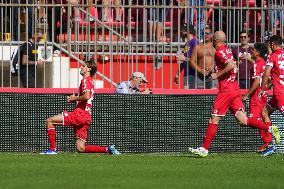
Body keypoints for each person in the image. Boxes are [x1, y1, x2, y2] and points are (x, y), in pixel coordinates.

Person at [188, 31, 280, 158]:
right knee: (243, 120)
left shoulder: (220, 51)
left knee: (213, 118)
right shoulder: (227, 50)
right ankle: (269, 128)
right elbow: (228, 64)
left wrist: (217, 75)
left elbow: (230, 65)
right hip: (235, 89)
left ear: (215, 40)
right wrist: (213, 70)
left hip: (226, 90)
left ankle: (204, 148)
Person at [41, 59, 121, 155]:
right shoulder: (90, 81)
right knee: (80, 148)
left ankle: (52, 150)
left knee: (50, 121)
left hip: (80, 114)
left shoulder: (85, 81)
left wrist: (74, 98)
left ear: (89, 69)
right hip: (86, 116)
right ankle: (108, 149)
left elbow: (86, 96)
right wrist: (77, 99)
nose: (81, 67)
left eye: (83, 66)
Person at [241, 42, 273, 153]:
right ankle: (267, 144)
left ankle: (269, 134)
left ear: (258, 52)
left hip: (256, 97)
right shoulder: (264, 63)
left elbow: (256, 81)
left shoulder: (256, 65)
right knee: (261, 119)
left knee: (251, 120)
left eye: (253, 50)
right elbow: (270, 80)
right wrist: (264, 89)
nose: (251, 51)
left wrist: (247, 95)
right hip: (263, 95)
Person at [258, 35, 284, 156]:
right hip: (277, 94)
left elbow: (267, 74)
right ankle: (273, 146)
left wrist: (262, 89)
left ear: (273, 44)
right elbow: (275, 76)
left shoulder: (272, 56)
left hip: (280, 94)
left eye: (270, 45)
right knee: (264, 112)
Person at [174, 24, 198, 89]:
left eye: (184, 30)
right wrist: (177, 74)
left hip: (194, 75)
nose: (182, 31)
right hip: (187, 74)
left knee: (193, 96)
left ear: (189, 31)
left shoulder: (195, 42)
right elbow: (183, 61)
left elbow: (198, 60)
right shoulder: (187, 44)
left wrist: (184, 58)